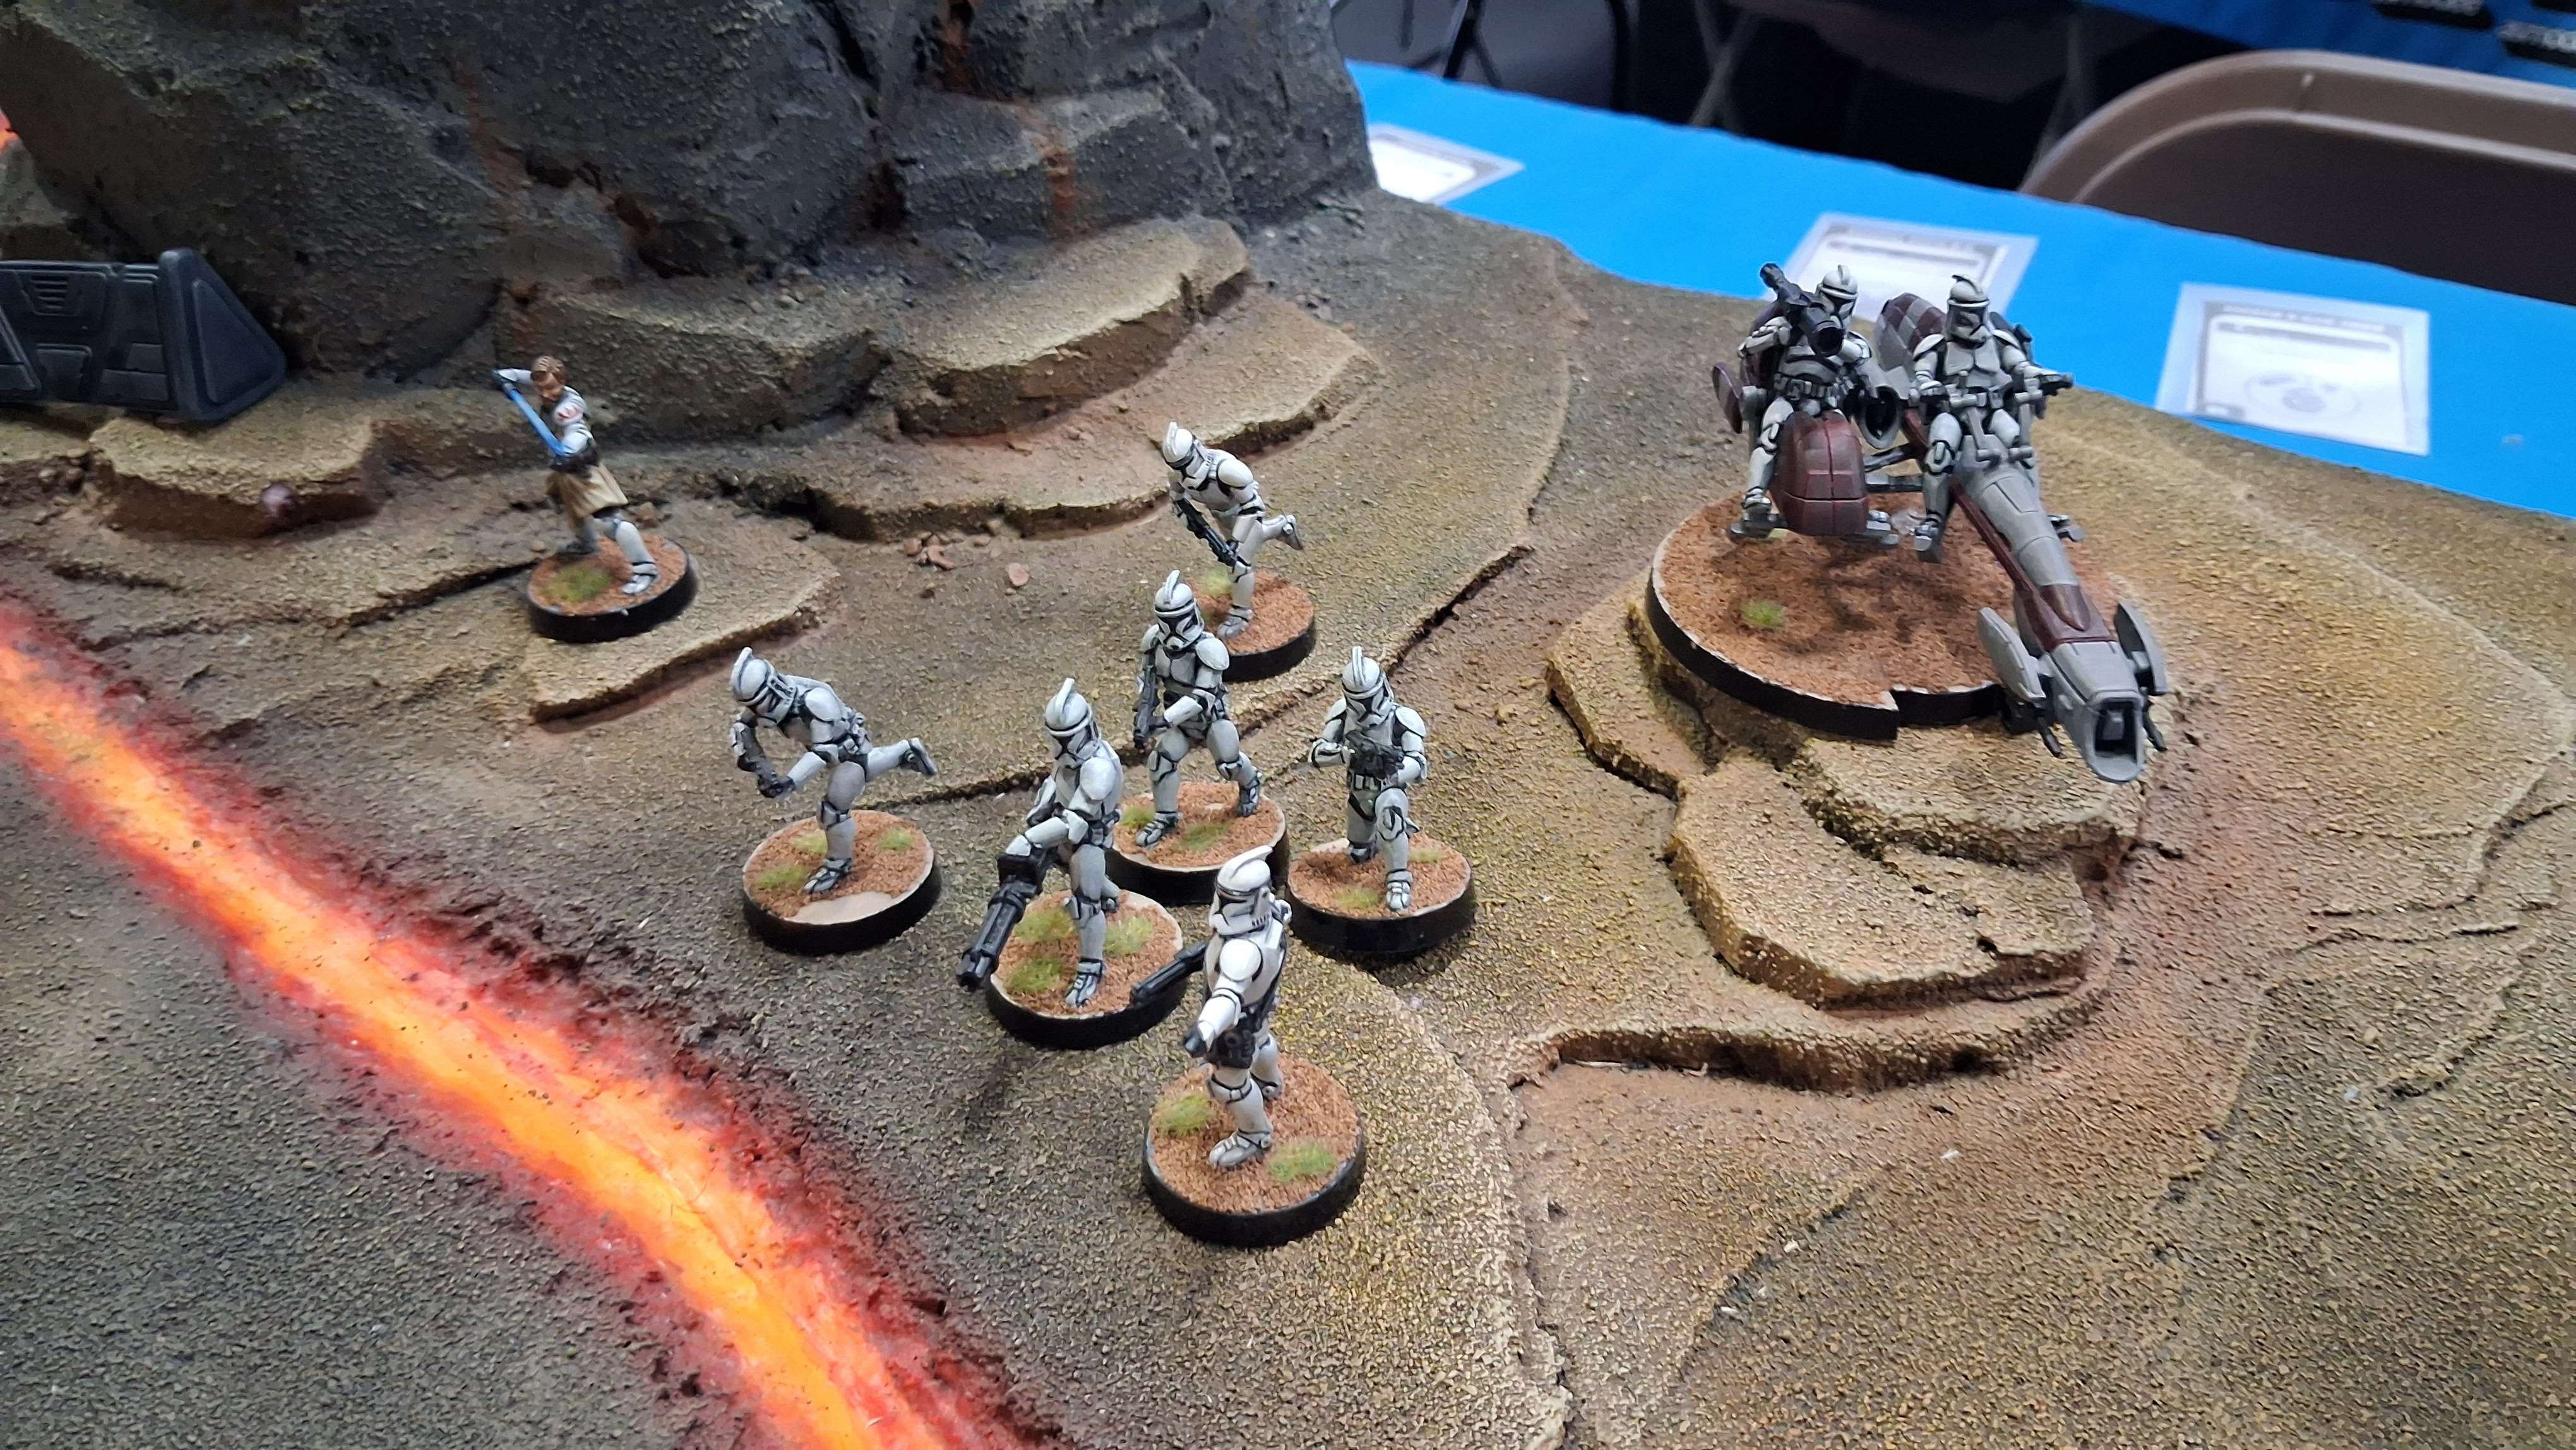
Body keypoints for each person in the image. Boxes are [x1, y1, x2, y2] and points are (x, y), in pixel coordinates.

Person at [495, 355, 659, 595]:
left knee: (608, 520)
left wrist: (570, 450)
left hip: (582, 469)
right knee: (571, 509)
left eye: (551, 388)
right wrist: (508, 376)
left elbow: (578, 431)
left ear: (562, 382)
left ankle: (645, 569)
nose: (546, 394)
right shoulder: (547, 386)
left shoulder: (567, 408)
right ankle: (587, 544)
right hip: (562, 469)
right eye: (541, 389)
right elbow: (531, 378)